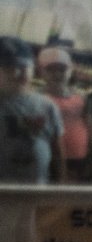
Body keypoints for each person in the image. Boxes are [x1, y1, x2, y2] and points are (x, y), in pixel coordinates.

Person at [0, 35, 62, 183]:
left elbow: (57, 148)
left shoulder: (47, 105)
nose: (20, 73)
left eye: (25, 67)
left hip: (37, 189)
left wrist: (61, 179)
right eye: (10, 68)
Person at [35, 47, 92, 183]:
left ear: (70, 71)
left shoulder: (81, 98)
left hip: (79, 157)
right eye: (50, 70)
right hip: (50, 159)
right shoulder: (37, 100)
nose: (57, 74)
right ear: (40, 72)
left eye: (62, 69)